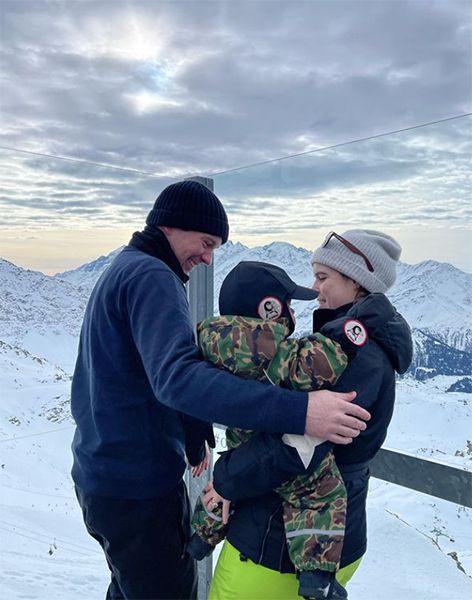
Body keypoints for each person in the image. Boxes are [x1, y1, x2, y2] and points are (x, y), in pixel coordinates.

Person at [70, 181, 370, 600]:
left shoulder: (126, 267)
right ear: (173, 226)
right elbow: (177, 376)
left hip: (103, 476)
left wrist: (192, 433)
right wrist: (301, 412)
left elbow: (139, 372)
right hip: (136, 488)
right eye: (206, 242)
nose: (208, 258)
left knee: (130, 586)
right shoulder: (152, 276)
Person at [205, 229, 413, 600]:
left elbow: (295, 447)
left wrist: (223, 480)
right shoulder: (344, 343)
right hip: (323, 536)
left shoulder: (355, 356)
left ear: (357, 282)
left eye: (323, 277)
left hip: (279, 546)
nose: (315, 289)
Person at [188, 261, 362, 600]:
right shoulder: (274, 349)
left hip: (243, 439)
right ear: (271, 309)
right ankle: (315, 576)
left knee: (224, 488)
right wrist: (342, 340)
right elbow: (315, 367)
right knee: (319, 492)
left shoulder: (209, 344)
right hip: (279, 445)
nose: (294, 314)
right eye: (289, 306)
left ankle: (199, 538)